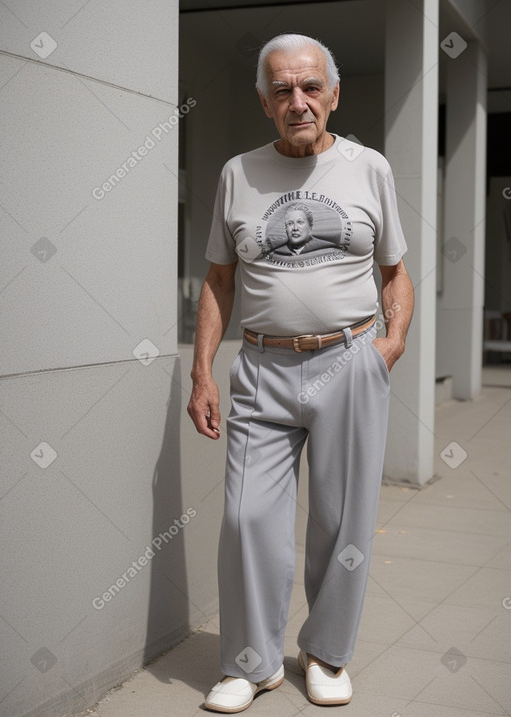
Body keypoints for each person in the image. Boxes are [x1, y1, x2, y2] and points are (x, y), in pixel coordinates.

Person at [187, 32, 414, 713]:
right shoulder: (238, 173)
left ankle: (326, 651)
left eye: (311, 86)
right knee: (246, 517)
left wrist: (391, 343)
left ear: (334, 93)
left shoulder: (370, 168)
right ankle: (250, 661)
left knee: (344, 521)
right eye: (282, 89)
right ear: (264, 101)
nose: (299, 100)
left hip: (350, 360)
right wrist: (202, 371)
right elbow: (219, 281)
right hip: (262, 365)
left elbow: (395, 272)